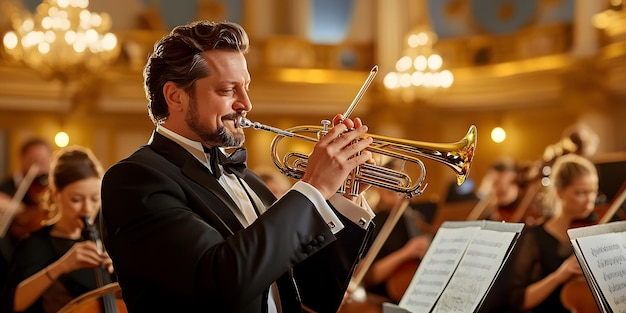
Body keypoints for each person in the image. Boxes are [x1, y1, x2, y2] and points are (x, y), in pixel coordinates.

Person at [100, 20, 376, 313]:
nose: (246, 103)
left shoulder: (248, 180)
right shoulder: (134, 180)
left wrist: (339, 197)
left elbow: (313, 295)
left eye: (245, 88)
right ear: (175, 96)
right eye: (227, 90)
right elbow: (220, 282)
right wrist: (315, 187)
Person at [0, 145, 114, 313]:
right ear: (55, 194)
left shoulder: (108, 240)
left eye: (95, 199)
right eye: (76, 200)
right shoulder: (34, 244)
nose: (87, 209)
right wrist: (62, 266)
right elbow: (10, 305)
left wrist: (120, 271)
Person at [506, 153, 599, 313]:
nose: (590, 200)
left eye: (593, 192)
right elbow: (519, 300)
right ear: (559, 192)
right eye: (581, 193)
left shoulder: (595, 229)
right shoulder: (534, 237)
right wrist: (558, 276)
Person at [0, 138, 52, 293]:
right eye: (34, 159)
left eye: (44, 159)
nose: (39, 164)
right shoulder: (9, 187)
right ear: (22, 159)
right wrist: (18, 209)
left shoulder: (51, 188)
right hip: (10, 257)